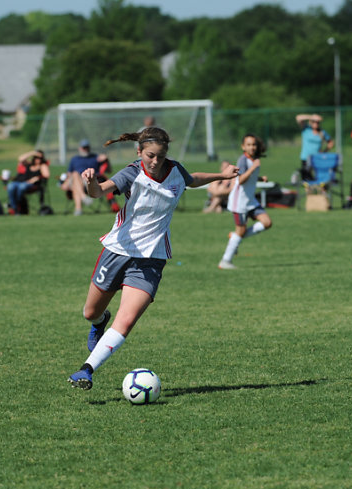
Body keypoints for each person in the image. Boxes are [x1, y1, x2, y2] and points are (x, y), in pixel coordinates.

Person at [67, 126, 239, 390]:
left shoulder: (175, 170)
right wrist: (90, 182)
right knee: (90, 312)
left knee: (126, 320)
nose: (155, 161)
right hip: (117, 251)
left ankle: (86, 370)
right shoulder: (132, 173)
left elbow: (193, 179)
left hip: (151, 259)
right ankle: (99, 322)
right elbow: (99, 191)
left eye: (160, 156)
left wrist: (221, 175)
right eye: (150, 156)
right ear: (139, 152)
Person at [218, 134, 272, 270]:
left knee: (267, 222)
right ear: (243, 147)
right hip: (240, 202)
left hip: (250, 200)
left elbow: (250, 177)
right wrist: (253, 168)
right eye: (248, 144)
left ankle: (235, 236)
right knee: (241, 231)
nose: (252, 147)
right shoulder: (243, 160)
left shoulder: (254, 159)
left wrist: (260, 178)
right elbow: (241, 180)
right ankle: (225, 261)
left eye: (254, 144)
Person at [61, 139, 99, 216]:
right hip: (74, 179)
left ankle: (78, 209)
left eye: (87, 147)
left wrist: (106, 158)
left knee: (75, 184)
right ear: (80, 148)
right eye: (84, 147)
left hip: (88, 180)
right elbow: (69, 173)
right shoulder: (74, 159)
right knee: (75, 174)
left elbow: (108, 170)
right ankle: (83, 197)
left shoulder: (95, 157)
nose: (85, 149)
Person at [7, 149, 50, 214]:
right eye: (36, 157)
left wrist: (37, 178)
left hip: (33, 184)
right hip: (21, 182)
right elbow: (20, 159)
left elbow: (46, 175)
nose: (38, 159)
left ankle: (19, 204)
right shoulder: (29, 164)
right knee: (10, 186)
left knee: (22, 187)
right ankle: (14, 207)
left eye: (39, 158)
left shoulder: (42, 166)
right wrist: (32, 153)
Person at [295, 113, 333, 181]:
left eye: (317, 122)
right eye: (314, 122)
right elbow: (298, 118)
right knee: (306, 178)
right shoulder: (306, 129)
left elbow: (330, 143)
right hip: (306, 157)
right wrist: (311, 117)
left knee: (319, 178)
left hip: (317, 158)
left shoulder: (322, 132)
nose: (316, 123)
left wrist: (324, 152)